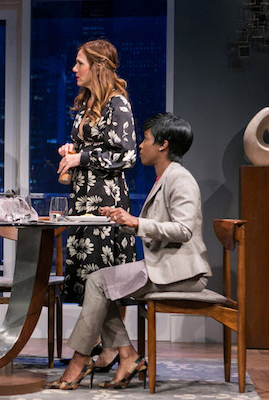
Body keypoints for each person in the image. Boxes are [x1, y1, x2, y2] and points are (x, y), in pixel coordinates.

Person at [48, 112, 211, 390]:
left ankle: (81, 360)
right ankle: (127, 356)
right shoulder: (165, 177)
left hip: (182, 272)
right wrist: (122, 219)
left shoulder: (180, 179)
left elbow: (184, 230)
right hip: (165, 266)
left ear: (163, 145)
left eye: (146, 139)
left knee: (99, 282)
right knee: (101, 282)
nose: (140, 146)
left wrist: (137, 222)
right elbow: (156, 226)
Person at [56, 39, 137, 369]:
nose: (74, 69)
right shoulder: (88, 103)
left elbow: (127, 156)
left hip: (105, 201)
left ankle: (113, 350)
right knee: (90, 277)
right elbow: (88, 145)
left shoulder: (118, 104)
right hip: (82, 199)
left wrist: (82, 157)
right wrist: (70, 150)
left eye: (80, 63)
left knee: (103, 278)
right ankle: (112, 350)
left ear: (99, 66)